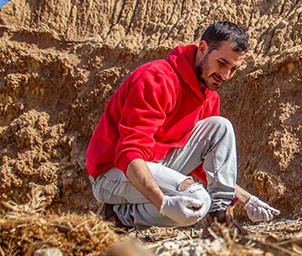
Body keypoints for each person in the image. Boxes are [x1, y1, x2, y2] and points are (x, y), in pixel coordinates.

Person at [86, 21, 279, 234]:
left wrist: (246, 198)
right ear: (203, 49)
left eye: (233, 69)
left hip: (155, 165)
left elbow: (206, 167)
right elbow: (128, 153)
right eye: (222, 63)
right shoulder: (157, 78)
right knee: (196, 201)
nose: (225, 75)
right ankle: (119, 215)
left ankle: (220, 221)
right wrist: (163, 203)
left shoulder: (208, 95)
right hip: (113, 173)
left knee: (220, 127)